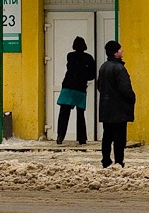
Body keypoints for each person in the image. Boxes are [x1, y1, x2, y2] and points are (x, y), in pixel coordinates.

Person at [98, 40, 136, 168]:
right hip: (119, 108)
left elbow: (99, 86)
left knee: (107, 135)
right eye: (120, 49)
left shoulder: (103, 67)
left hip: (106, 106)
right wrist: (132, 98)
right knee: (119, 137)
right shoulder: (119, 68)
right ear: (115, 53)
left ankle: (106, 160)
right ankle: (119, 161)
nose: (122, 50)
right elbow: (125, 89)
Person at [55, 36, 96, 145]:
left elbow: (69, 68)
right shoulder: (88, 58)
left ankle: (60, 136)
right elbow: (92, 75)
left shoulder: (70, 56)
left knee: (64, 113)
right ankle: (82, 138)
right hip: (80, 87)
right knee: (80, 114)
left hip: (68, 86)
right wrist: (84, 78)